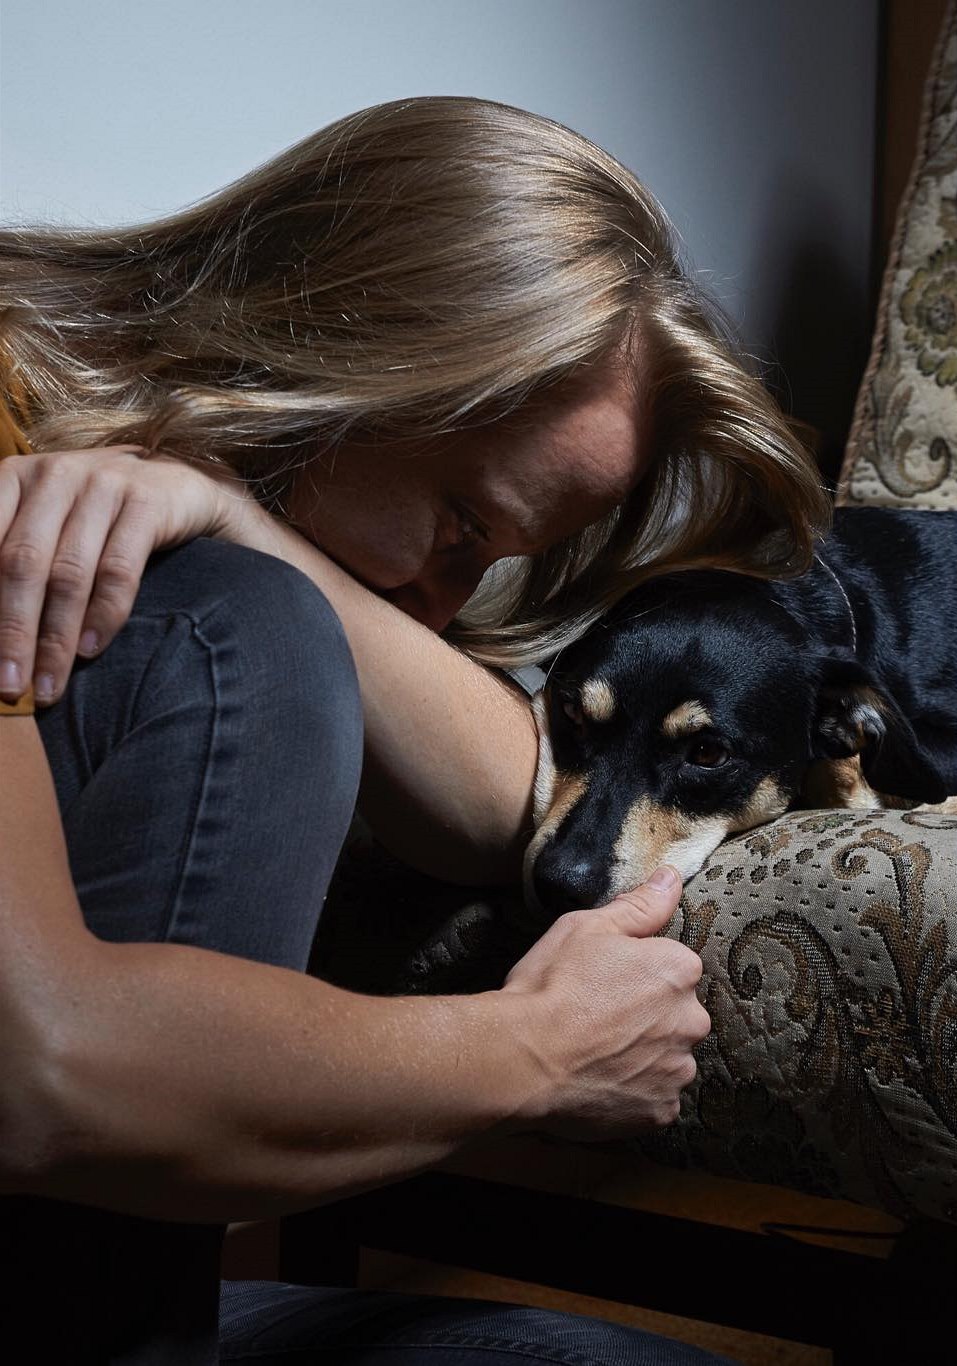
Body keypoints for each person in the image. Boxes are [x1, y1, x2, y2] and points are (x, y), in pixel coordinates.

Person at [0, 97, 828, 1364]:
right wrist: (537, 1050)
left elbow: (509, 801)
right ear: (352, 348)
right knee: (249, 627)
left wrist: (231, 511)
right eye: (460, 527)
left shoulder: (203, 506)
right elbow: (37, 1073)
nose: (441, 607)